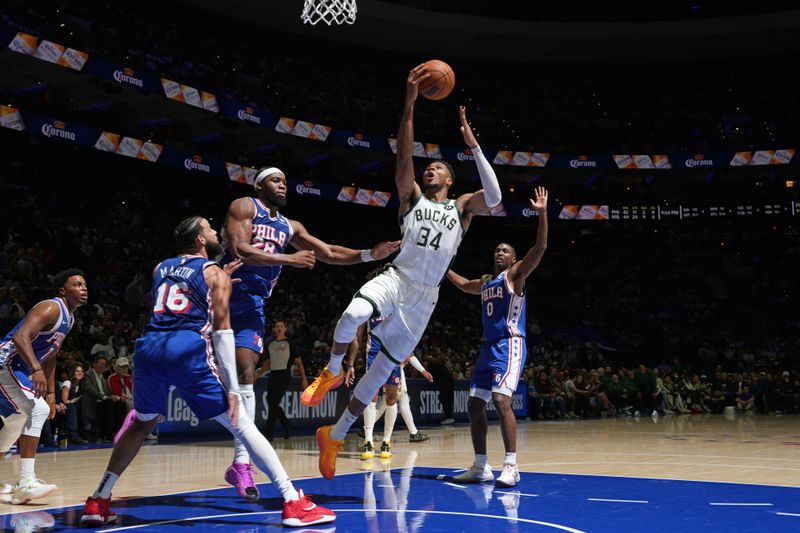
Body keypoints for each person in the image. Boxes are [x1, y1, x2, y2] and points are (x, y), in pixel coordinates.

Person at [306, 63, 503, 479]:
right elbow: (403, 157)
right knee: (352, 315)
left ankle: (335, 434)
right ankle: (334, 369)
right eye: (427, 167)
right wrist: (410, 104)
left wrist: (473, 146)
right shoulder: (411, 197)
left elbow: (497, 196)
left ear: (450, 179)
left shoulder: (462, 207)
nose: (429, 169)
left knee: (380, 376)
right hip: (396, 278)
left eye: (438, 168)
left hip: (425, 299)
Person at [79, 216, 335, 527]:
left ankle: (98, 500)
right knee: (242, 425)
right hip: (187, 348)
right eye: (210, 229)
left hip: (149, 348)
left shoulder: (161, 267)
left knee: (140, 426)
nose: (216, 232)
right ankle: (293, 502)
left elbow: (185, 292)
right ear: (201, 239)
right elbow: (223, 333)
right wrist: (231, 388)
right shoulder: (213, 272)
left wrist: (219, 278)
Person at [220, 165, 399, 499]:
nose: (283, 185)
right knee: (199, 373)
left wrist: (367, 254)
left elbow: (328, 253)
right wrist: (289, 260)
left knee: (245, 376)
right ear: (260, 185)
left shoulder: (291, 226)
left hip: (252, 304)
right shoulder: (245, 206)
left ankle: (240, 463)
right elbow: (240, 249)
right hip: (224, 291)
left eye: (286, 181)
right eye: (276, 180)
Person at [446, 186, 548, 487]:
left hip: (510, 344)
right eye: (496, 250)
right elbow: (465, 285)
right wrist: (444, 268)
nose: (499, 253)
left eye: (505, 250)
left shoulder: (515, 276)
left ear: (514, 258)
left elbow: (539, 249)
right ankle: (480, 466)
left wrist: (542, 215)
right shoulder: (487, 281)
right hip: (488, 348)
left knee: (502, 400)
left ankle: (511, 465)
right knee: (475, 404)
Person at [0, 269, 88, 504]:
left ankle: (22, 481)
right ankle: (26, 483)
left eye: (84, 285)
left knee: (16, 422)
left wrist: (51, 394)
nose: (83, 288)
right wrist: (36, 370)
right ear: (63, 290)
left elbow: (51, 357)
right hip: (5, 362)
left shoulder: (69, 319)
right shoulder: (51, 307)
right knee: (35, 410)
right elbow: (20, 336)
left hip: (18, 367)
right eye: (77, 284)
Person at [347, 319, 434, 461]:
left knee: (392, 398)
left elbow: (405, 335)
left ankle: (386, 441)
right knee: (372, 396)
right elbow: (358, 336)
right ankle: (368, 441)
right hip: (374, 353)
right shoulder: (370, 305)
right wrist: (351, 364)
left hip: (394, 354)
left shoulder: (397, 307)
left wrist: (419, 366)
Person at [259, 320, 308, 440]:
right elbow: (266, 364)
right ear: (275, 329)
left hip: (284, 375)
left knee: (274, 403)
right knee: (272, 403)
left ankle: (269, 433)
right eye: (277, 326)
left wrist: (304, 379)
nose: (279, 328)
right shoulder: (270, 343)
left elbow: (298, 362)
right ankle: (287, 425)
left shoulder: (289, 343)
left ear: (285, 329)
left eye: (281, 326)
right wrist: (256, 376)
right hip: (273, 375)